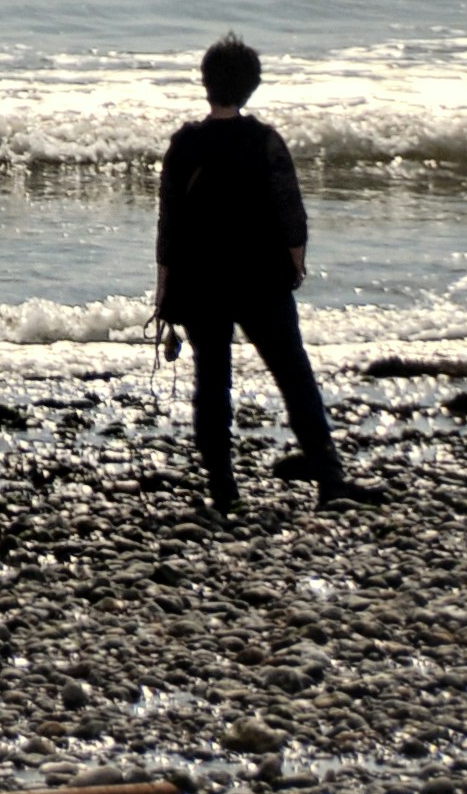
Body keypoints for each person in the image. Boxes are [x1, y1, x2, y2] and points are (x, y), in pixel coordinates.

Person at [155, 36, 362, 514]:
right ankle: (329, 478)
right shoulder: (264, 140)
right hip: (260, 277)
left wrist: (165, 287)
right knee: (293, 374)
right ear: (252, 86)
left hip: (200, 279)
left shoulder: (184, 144)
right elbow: (291, 211)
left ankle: (223, 490)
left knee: (212, 380)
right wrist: (296, 262)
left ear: (205, 84)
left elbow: (169, 222)